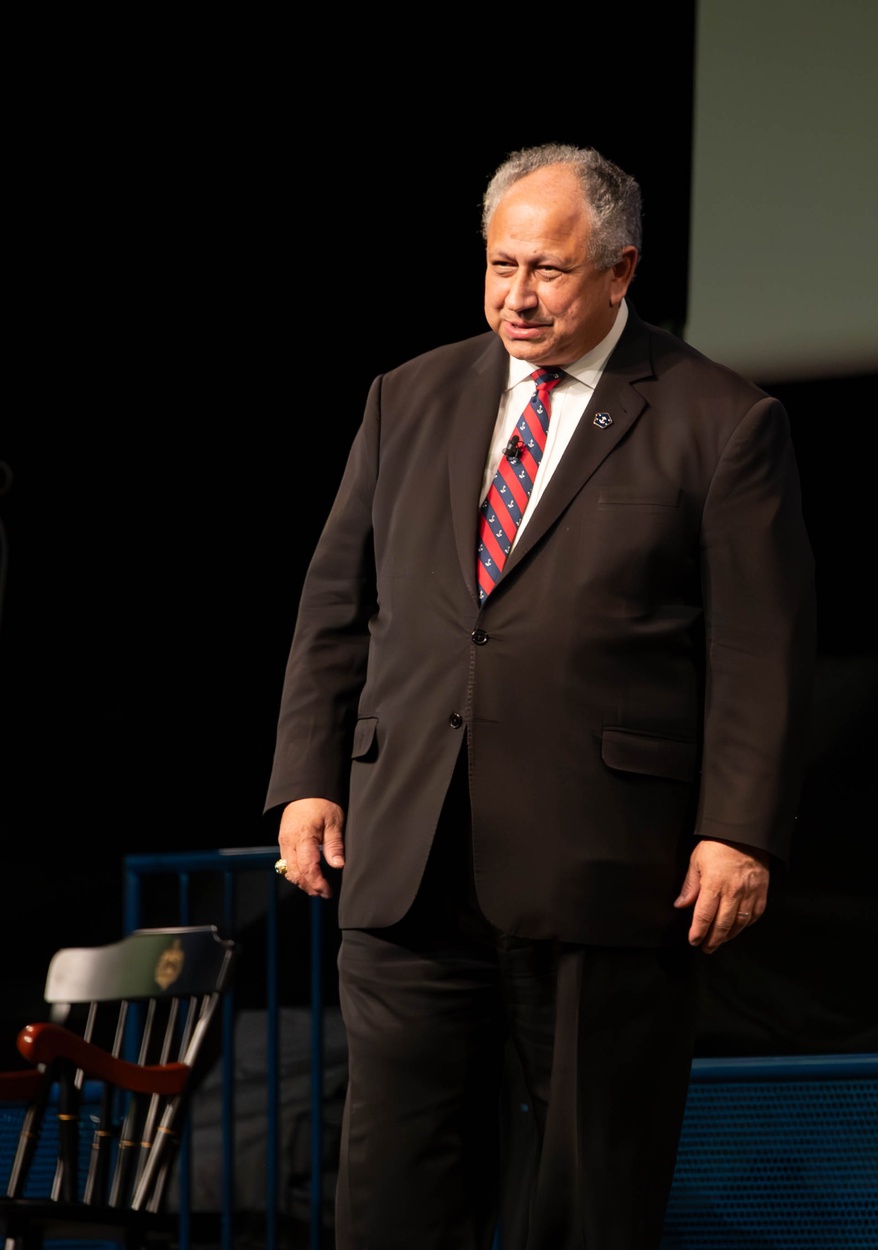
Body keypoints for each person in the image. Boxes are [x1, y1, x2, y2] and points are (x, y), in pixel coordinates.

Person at [266, 143, 815, 1249]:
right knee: (392, 1182)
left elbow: (763, 648)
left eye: (549, 270)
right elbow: (336, 602)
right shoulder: (405, 396)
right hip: (410, 848)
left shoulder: (719, 419)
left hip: (602, 863)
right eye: (500, 264)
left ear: (620, 271)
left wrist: (735, 829)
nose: (517, 295)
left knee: (585, 1187)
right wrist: (308, 779)